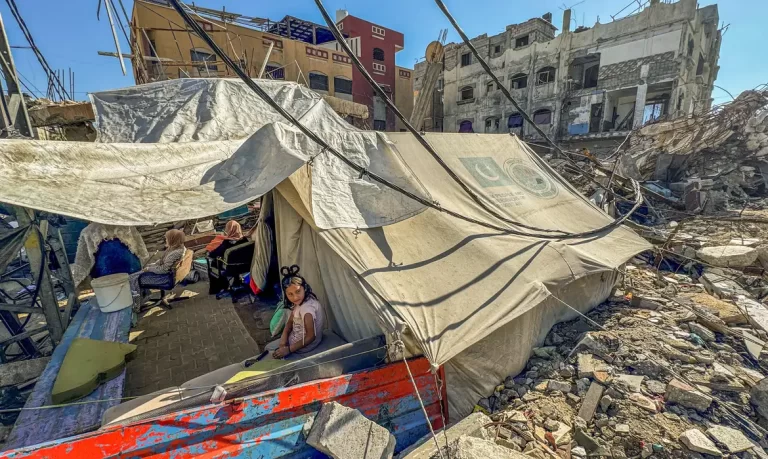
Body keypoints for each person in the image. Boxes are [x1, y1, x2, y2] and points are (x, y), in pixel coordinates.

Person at [272, 265, 325, 359]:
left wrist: (288, 349)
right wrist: (283, 342)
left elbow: (311, 336)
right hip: (294, 341)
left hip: (304, 347)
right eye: (290, 294)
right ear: (286, 294)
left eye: (297, 291)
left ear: (304, 288)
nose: (295, 297)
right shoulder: (300, 301)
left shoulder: (307, 309)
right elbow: (289, 323)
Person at [129, 229, 186, 309]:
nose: (165, 240)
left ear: (173, 239)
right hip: (168, 276)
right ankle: (145, 297)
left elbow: (163, 270)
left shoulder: (175, 253)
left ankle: (136, 305)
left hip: (165, 278)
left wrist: (149, 269)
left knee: (134, 278)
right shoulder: (177, 248)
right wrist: (153, 265)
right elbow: (163, 261)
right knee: (135, 275)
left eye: (167, 238)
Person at [207, 220, 250, 295]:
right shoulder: (245, 240)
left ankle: (221, 287)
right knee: (234, 260)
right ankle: (236, 281)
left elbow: (215, 253)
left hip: (230, 269)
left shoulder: (227, 243)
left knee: (214, 262)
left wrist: (210, 254)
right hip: (246, 266)